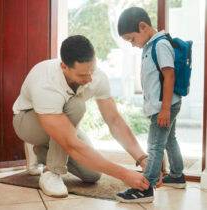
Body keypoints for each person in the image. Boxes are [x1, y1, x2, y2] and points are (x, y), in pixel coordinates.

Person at [13, 35, 150, 198]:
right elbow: (71, 144)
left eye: (91, 71)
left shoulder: (97, 77)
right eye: (82, 75)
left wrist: (142, 158)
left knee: (92, 175)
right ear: (64, 66)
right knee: (76, 105)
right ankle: (52, 171)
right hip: (28, 122)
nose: (89, 79)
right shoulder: (46, 82)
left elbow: (114, 121)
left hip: (60, 122)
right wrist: (124, 174)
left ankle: (40, 151)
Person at [115, 7, 186, 203]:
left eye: (131, 39)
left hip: (166, 106)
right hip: (165, 105)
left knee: (155, 146)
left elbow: (169, 75)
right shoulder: (150, 46)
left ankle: (145, 188)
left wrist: (163, 108)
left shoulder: (160, 44)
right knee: (169, 140)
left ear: (143, 26)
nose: (132, 44)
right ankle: (178, 175)